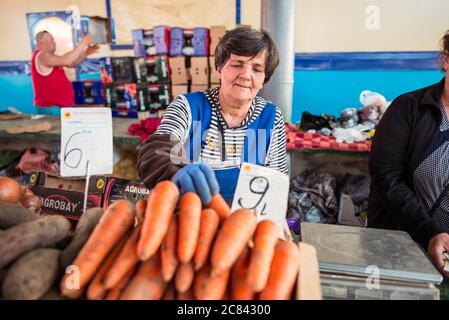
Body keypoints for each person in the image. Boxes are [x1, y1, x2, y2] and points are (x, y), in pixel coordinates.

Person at [137, 27, 288, 206]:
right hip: (189, 215)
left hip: (243, 222)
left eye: (256, 69)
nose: (246, 75)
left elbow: (277, 184)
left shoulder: (271, 118)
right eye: (237, 64)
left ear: (264, 78)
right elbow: (156, 152)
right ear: (219, 69)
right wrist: (175, 173)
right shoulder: (188, 107)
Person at [368, 30, 449, 276]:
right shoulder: (409, 108)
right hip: (399, 247)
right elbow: (386, 177)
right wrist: (430, 233)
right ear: (447, 60)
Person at [30, 31, 99, 116]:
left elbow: (71, 63)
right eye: (51, 40)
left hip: (58, 108)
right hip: (51, 109)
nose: (54, 42)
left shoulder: (49, 58)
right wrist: (83, 42)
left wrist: (86, 53)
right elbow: (68, 60)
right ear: (41, 43)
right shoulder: (42, 55)